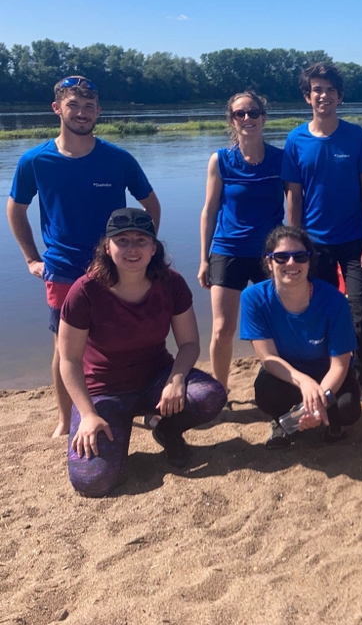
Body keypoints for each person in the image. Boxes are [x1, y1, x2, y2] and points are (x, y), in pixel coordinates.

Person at [7, 76, 160, 438]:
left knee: (126, 336)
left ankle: (136, 402)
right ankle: (65, 418)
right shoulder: (35, 161)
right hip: (62, 269)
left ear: (99, 112)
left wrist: (137, 250)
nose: (82, 112)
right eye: (73, 105)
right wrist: (31, 258)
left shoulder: (118, 159)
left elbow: (151, 206)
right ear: (57, 108)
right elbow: (16, 210)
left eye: (89, 106)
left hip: (114, 268)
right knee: (64, 350)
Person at [59, 208, 225, 497]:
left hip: (155, 381)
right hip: (104, 391)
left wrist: (176, 378)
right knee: (91, 481)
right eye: (122, 240)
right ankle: (115, 442)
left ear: (153, 248)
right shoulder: (84, 292)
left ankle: (168, 432)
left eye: (141, 240)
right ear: (107, 248)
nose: (132, 248)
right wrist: (87, 414)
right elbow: (69, 361)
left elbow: (189, 343)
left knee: (210, 395)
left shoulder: (171, 284)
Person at [282, 63, 362, 403]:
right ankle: (327, 371)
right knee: (319, 309)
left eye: (329, 89)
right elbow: (293, 196)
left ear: (339, 96)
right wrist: (295, 244)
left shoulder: (355, 136)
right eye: (317, 89)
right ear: (307, 96)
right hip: (314, 244)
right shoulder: (296, 139)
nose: (323, 95)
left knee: (359, 309)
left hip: (355, 241)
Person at [240, 225, 362, 449]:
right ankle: (281, 421)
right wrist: (303, 381)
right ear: (269, 262)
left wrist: (318, 402)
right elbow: (268, 358)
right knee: (267, 393)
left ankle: (329, 422)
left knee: (348, 408)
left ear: (309, 261)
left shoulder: (334, 300)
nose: (291, 263)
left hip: (327, 372)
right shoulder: (254, 298)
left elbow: (339, 365)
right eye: (281, 257)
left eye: (299, 256)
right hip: (286, 373)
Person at [197, 91, 284, 392]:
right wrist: (204, 258)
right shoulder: (219, 160)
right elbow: (209, 211)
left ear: (264, 117)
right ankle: (219, 390)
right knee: (223, 328)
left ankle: (276, 386)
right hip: (227, 250)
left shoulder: (281, 159)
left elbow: (297, 204)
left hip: (269, 255)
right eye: (240, 114)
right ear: (232, 120)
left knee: (273, 326)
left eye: (254, 112)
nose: (248, 118)